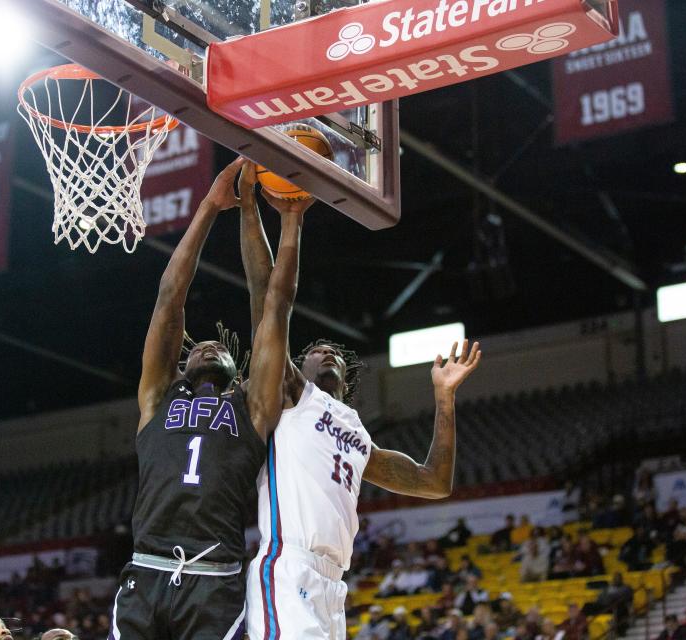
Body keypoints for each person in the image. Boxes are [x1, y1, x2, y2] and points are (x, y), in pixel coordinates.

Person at [238, 162, 482, 640]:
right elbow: (266, 299)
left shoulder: (356, 437)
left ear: (346, 382)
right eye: (311, 351)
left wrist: (444, 399)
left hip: (333, 586)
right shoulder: (290, 395)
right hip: (289, 567)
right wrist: (262, 212)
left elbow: (434, 482)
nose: (324, 351)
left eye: (332, 352)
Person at [111, 158, 295, 639]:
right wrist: (209, 207)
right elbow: (170, 297)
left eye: (221, 350)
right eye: (197, 347)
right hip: (148, 568)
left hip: (215, 579)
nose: (208, 347)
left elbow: (272, 306)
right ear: (181, 366)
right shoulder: (157, 396)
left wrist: (268, 216)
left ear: (240, 374)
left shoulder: (252, 407)